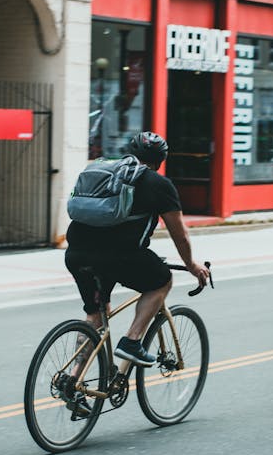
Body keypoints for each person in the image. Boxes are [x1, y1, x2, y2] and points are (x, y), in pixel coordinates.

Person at [65, 131, 210, 369]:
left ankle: (72, 380)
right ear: (160, 160)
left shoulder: (104, 172)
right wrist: (192, 265)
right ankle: (131, 341)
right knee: (161, 280)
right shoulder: (159, 184)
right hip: (118, 257)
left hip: (76, 253)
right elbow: (179, 234)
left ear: (130, 153)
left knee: (96, 315)